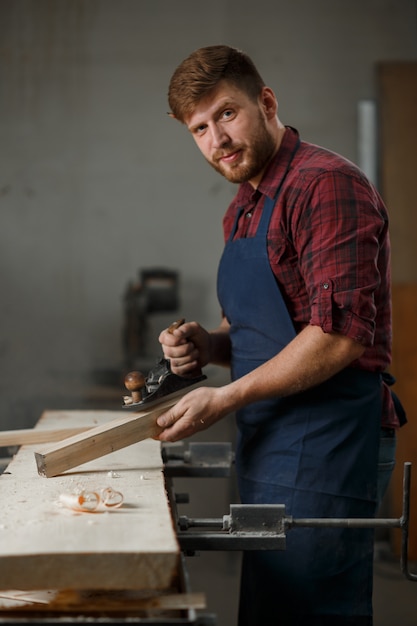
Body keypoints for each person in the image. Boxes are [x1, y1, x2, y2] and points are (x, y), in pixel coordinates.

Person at [154, 45, 406, 626]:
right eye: (198, 128)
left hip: (330, 440)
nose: (216, 139)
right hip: (270, 441)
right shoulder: (243, 206)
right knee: (274, 606)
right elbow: (254, 329)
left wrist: (226, 397)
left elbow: (339, 338)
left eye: (225, 114)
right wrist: (209, 345)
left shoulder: (326, 184)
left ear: (266, 102)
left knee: (316, 612)